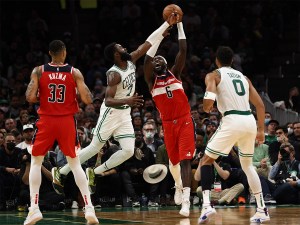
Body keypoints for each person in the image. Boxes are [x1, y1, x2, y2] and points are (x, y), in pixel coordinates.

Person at [51, 15, 179, 194]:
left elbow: (148, 43)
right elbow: (107, 99)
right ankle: (61, 171)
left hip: (124, 114)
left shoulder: (131, 60)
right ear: (116, 54)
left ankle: (94, 172)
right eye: (121, 47)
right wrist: (128, 100)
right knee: (95, 147)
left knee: (127, 151)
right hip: (111, 113)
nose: (125, 47)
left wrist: (164, 28)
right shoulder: (114, 73)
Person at [24, 40, 98, 225]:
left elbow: (30, 97)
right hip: (67, 121)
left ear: (50, 53)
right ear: (64, 52)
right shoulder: (74, 72)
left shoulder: (39, 71)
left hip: (47, 120)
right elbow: (88, 99)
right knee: (75, 164)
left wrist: (43, 93)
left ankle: (34, 209)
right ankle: (89, 208)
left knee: (36, 162)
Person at [198, 46, 270, 224]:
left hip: (232, 120)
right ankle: (262, 209)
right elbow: (260, 106)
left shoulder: (214, 75)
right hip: (249, 121)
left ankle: (207, 206)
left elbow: (208, 102)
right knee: (248, 166)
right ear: (232, 61)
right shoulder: (244, 78)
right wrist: (261, 130)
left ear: (217, 61)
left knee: (206, 160)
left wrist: (207, 107)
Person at [143, 21, 195, 217]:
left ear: (166, 63)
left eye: (160, 59)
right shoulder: (151, 81)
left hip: (184, 121)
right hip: (167, 124)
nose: (156, 61)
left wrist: (180, 24)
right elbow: (147, 58)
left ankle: (186, 202)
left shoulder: (176, 73)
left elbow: (182, 49)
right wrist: (159, 37)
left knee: (185, 161)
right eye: (155, 60)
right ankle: (178, 185)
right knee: (173, 163)